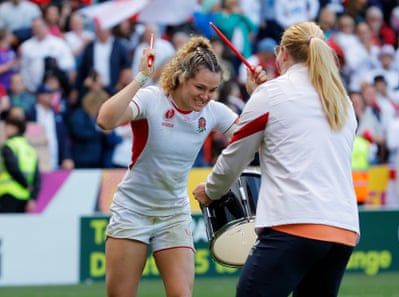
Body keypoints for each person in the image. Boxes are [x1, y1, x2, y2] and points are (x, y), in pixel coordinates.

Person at [193, 21, 360, 297]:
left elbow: (236, 154)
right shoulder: (341, 99)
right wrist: (259, 96)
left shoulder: (272, 94)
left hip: (295, 220)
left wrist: (211, 190)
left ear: (282, 53)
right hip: (341, 228)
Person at [96, 36, 265, 297]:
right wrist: (142, 77)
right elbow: (105, 120)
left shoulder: (214, 111)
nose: (206, 96)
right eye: (200, 87)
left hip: (174, 213)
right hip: (132, 209)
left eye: (212, 90)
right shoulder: (152, 98)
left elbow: (254, 141)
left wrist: (259, 97)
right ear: (181, 77)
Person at [0, 107, 41, 213]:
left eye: (7, 127)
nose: (4, 131)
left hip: (8, 193)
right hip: (25, 196)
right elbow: (37, 177)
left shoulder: (9, 145)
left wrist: (25, 185)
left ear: (15, 128)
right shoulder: (30, 148)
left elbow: (12, 168)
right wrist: (33, 197)